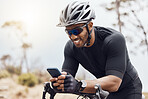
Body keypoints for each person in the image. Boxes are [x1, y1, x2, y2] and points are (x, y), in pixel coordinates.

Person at [50, 1, 142, 99]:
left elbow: (114, 83)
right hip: (104, 90)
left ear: (90, 25)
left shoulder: (113, 40)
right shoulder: (70, 48)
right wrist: (60, 83)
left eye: (77, 31)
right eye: (69, 32)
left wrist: (79, 85)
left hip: (129, 89)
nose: (73, 37)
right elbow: (67, 78)